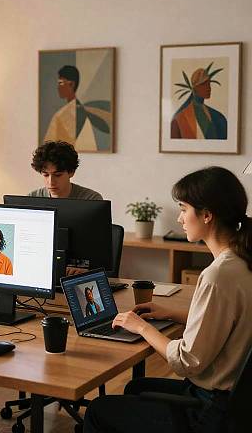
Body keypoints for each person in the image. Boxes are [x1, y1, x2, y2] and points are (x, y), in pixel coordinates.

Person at [84, 166, 252, 433]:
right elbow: (230, 322)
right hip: (235, 402)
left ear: (207, 215)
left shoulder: (218, 275)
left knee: (97, 410)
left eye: (184, 209)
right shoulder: (242, 261)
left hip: (211, 411)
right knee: (135, 388)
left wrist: (141, 327)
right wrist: (174, 314)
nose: (180, 219)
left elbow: (187, 361)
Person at [43, 65, 111, 152]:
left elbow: (47, 147)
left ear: (71, 84)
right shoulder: (65, 113)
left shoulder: (63, 115)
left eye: (60, 83)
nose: (58, 87)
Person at [29, 140, 102, 200]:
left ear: (71, 172)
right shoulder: (32, 198)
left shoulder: (91, 199)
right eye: (46, 175)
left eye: (58, 175)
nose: (51, 182)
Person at [170, 65, 227, 140]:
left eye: (209, 84)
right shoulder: (179, 120)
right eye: (204, 84)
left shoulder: (218, 117)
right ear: (195, 87)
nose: (209, 88)